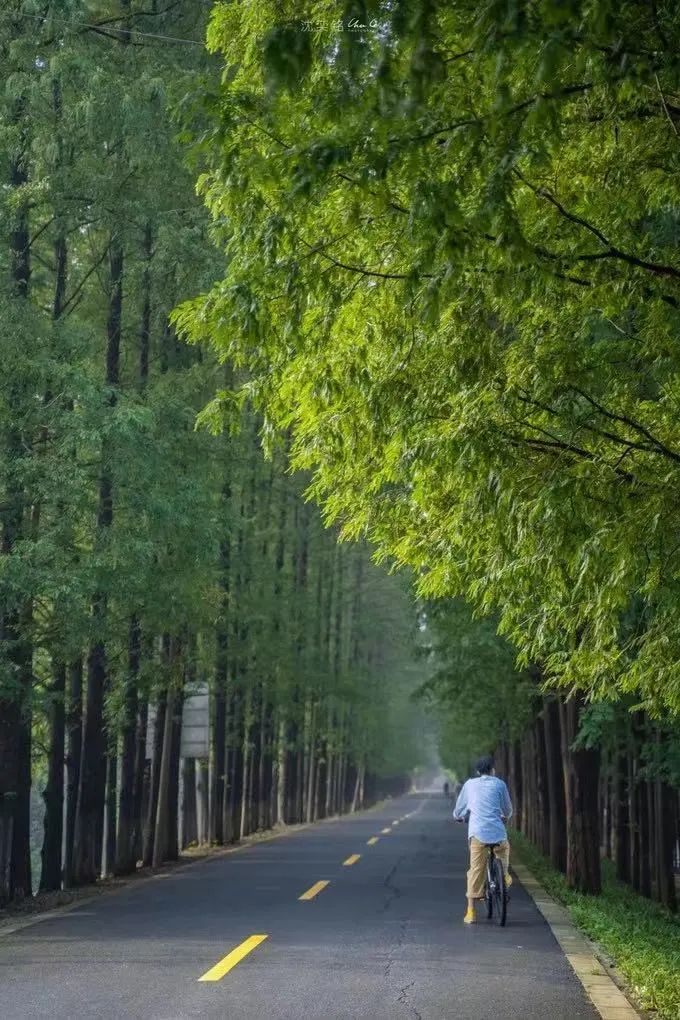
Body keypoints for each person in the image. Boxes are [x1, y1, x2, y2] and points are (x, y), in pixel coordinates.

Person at [452, 754, 513, 925]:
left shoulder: (470, 785)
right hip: (498, 832)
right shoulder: (500, 784)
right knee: (503, 851)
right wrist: (506, 817)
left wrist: (458, 816)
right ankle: (505, 875)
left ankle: (470, 912)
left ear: (478, 771)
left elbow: (460, 808)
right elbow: (507, 808)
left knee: (475, 870)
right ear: (492, 769)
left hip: (478, 833)